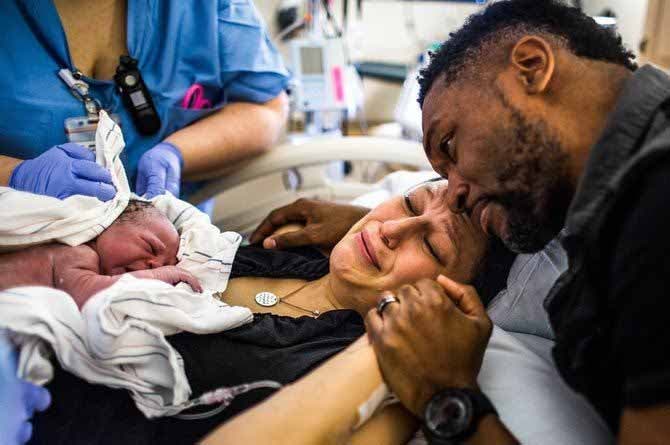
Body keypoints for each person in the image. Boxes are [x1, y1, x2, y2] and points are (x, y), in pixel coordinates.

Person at [250, 0, 670, 442]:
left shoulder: (655, 214)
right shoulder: (600, 187)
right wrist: (379, 221)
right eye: (433, 184)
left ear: (531, 67)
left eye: (449, 144)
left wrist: (447, 395)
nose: (453, 193)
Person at [30, 180, 492, 445]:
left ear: (447, 295)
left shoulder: (376, 376)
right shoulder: (283, 249)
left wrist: (394, 334)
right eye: (409, 203)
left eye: (432, 244)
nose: (391, 228)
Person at [0, 0, 289, 203]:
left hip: (176, 254)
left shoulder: (201, 7)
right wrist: (14, 175)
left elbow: (264, 107)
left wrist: (176, 153)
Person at [0, 201, 202, 308]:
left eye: (162, 266)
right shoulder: (79, 252)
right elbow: (86, 294)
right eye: (151, 247)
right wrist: (157, 276)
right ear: (109, 224)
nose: (154, 265)